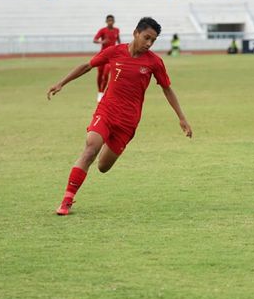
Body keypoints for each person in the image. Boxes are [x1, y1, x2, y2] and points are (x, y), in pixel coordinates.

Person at [47, 17, 193, 215]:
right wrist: (61, 83)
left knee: (103, 166)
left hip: (127, 122)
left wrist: (181, 118)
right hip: (106, 112)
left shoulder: (154, 63)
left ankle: (104, 140)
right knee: (90, 149)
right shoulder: (115, 52)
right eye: (146, 38)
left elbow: (167, 89)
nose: (149, 43)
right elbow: (87, 66)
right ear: (135, 33)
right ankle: (67, 201)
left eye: (153, 40)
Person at [93, 15, 121, 101]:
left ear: (114, 21)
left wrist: (120, 48)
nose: (110, 22)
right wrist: (102, 41)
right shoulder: (102, 30)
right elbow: (94, 40)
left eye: (111, 21)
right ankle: (99, 91)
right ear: (106, 21)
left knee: (106, 74)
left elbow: (118, 40)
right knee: (100, 74)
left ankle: (102, 92)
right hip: (102, 56)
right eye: (109, 21)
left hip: (111, 57)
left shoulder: (117, 30)